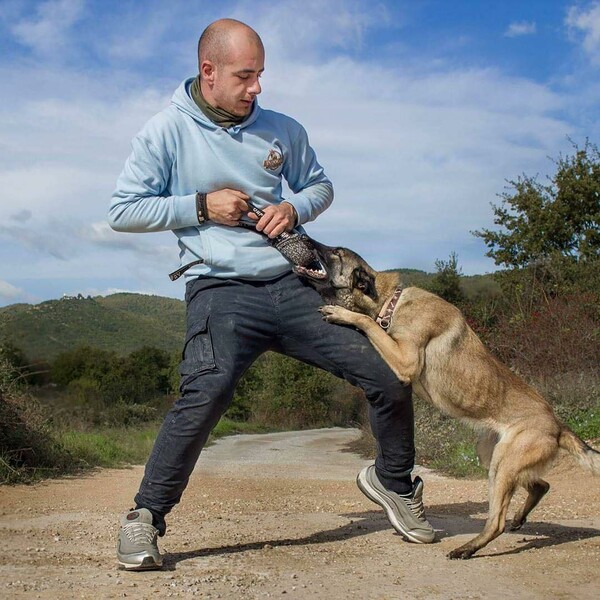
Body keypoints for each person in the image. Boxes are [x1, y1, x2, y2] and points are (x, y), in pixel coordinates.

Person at [109, 18, 434, 571]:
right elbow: (122, 211)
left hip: (295, 281)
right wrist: (199, 206)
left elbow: (319, 185)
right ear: (208, 72)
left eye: (260, 75)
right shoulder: (164, 132)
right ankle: (145, 518)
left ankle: (393, 482)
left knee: (389, 373)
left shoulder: (283, 128)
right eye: (245, 76)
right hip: (220, 288)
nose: (256, 88)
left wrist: (295, 208)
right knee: (206, 390)